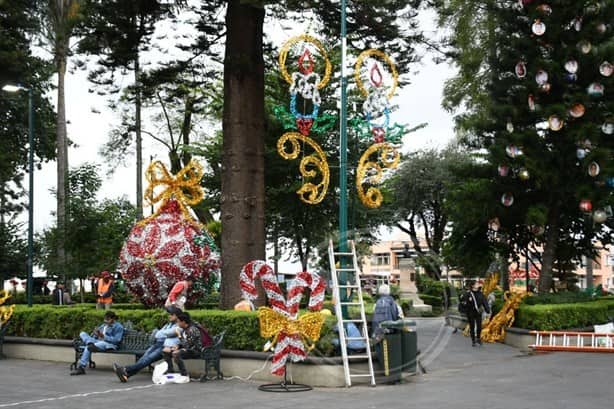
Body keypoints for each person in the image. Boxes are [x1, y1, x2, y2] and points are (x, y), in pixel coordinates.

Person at [112, 306, 181, 382]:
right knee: (143, 359)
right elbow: (158, 334)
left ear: (177, 316)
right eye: (169, 314)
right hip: (157, 344)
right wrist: (162, 333)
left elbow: (163, 333)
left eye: (172, 314)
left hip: (166, 346)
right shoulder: (168, 325)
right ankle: (126, 375)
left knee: (147, 360)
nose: (169, 316)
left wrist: (161, 333)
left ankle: (125, 369)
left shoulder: (179, 326)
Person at [70, 311, 124, 375]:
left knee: (89, 347)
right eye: (105, 319)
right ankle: (90, 343)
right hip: (97, 342)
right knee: (82, 333)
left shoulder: (118, 327)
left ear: (113, 319)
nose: (105, 321)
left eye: (108, 319)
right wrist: (95, 334)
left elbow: (117, 340)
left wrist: (104, 336)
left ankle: (81, 368)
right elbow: (96, 336)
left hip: (108, 344)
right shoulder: (103, 325)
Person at [162, 311, 203, 377]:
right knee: (166, 350)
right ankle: (170, 370)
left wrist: (179, 335)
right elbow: (186, 343)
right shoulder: (184, 329)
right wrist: (178, 346)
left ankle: (184, 374)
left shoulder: (192, 330)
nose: (177, 324)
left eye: (178, 322)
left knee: (176, 354)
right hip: (188, 349)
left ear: (183, 322)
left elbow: (188, 345)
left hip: (196, 351)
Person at [462, 280, 491, 347]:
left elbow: (485, 302)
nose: (478, 284)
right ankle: (473, 340)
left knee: (479, 326)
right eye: (476, 284)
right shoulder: (468, 294)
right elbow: (464, 303)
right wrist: (468, 302)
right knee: (472, 326)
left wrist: (488, 311)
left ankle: (478, 338)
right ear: (473, 286)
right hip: (470, 312)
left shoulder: (480, 293)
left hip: (478, 312)